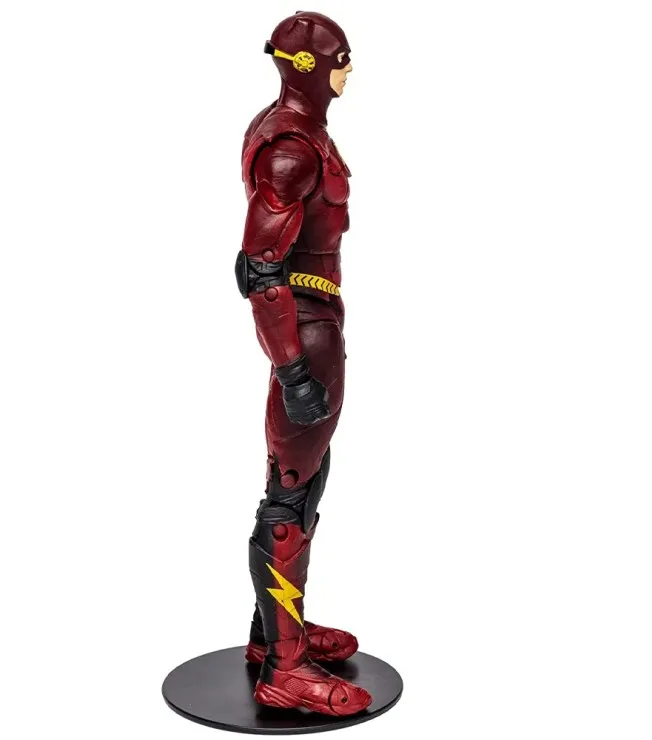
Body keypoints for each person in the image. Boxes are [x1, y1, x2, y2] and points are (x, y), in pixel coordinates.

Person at [236, 11, 373, 716]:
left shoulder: (298, 131)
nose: (350, 69)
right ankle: (284, 669)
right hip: (307, 328)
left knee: (304, 479)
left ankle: (272, 634)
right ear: (308, 67)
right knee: (290, 496)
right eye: (340, 57)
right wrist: (292, 371)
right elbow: (259, 269)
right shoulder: (290, 147)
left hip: (318, 321)